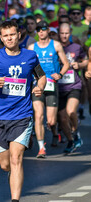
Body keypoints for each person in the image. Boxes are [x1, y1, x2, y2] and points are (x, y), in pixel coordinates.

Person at [0, 20, 46, 202]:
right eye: (5, 35)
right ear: (1, 37)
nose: (9, 38)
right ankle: (12, 174)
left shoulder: (30, 56)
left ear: (19, 35)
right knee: (5, 164)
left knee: (16, 159)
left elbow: (41, 75)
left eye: (12, 34)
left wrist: (40, 87)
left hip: (22, 115)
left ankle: (15, 199)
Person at [28, 20, 69, 158]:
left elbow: (66, 63)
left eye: (43, 29)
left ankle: (55, 132)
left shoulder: (56, 45)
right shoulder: (32, 47)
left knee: (51, 120)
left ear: (48, 31)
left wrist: (60, 74)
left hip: (51, 83)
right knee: (38, 115)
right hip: (37, 84)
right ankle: (41, 148)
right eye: (38, 29)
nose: (40, 31)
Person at [57, 23, 88, 153]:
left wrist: (80, 65)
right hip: (59, 88)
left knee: (71, 112)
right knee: (62, 119)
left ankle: (75, 131)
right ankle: (71, 140)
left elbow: (86, 60)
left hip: (74, 85)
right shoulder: (55, 47)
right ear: (59, 33)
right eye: (62, 33)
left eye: (67, 33)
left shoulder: (76, 47)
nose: (64, 36)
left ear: (70, 33)